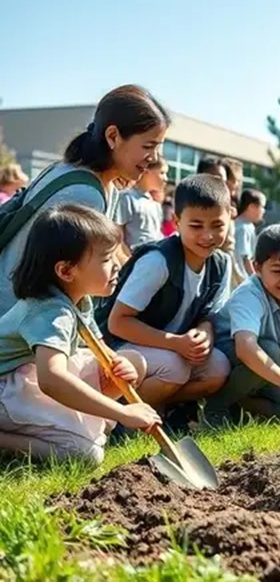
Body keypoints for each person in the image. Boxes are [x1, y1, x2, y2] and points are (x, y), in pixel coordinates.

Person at [0, 205, 159, 465]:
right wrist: (122, 413)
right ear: (66, 271)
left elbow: (99, 347)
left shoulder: (78, 299)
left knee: (133, 361)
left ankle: (78, 426)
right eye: (106, 259)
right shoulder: (50, 312)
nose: (118, 264)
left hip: (27, 375)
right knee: (85, 455)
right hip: (7, 390)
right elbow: (52, 380)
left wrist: (118, 363)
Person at [0, 85, 170, 318]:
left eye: (158, 148)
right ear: (113, 136)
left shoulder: (69, 171)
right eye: (148, 146)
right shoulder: (85, 195)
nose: (154, 159)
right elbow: (72, 283)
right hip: (21, 326)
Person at [98, 174, 232, 413]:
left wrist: (204, 333)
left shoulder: (221, 264)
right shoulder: (158, 261)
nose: (208, 235)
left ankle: (163, 409)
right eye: (196, 225)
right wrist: (176, 343)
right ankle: (118, 415)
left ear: (230, 216)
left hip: (173, 348)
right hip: (121, 347)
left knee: (219, 368)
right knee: (174, 368)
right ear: (177, 221)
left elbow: (209, 313)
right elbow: (117, 322)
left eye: (217, 225)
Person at [204, 224, 280, 424]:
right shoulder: (248, 295)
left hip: (268, 366)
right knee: (270, 350)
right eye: (277, 270)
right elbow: (246, 349)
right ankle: (216, 407)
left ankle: (244, 402)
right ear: (257, 267)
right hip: (232, 364)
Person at [116, 156, 167, 257]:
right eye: (162, 173)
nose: (166, 178)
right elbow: (117, 237)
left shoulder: (155, 205)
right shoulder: (127, 198)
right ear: (146, 171)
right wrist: (128, 263)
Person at [232, 188, 267, 285]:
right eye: (262, 207)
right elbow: (245, 258)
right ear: (251, 207)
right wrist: (256, 280)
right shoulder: (243, 228)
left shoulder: (242, 224)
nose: (263, 211)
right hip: (241, 280)